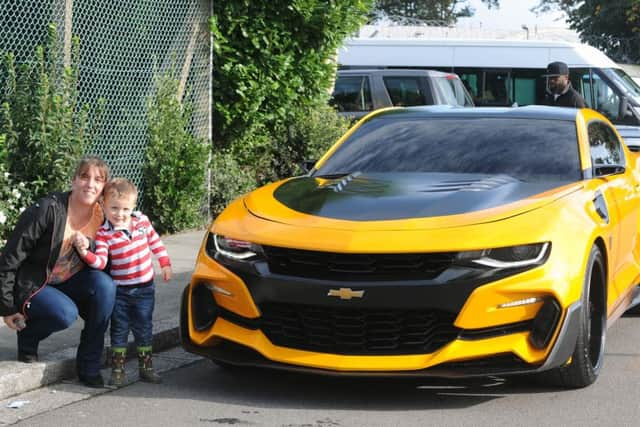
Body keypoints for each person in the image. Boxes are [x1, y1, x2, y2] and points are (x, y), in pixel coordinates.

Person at [0, 156, 115, 388]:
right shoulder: (48, 209)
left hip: (70, 281)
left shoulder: (103, 216)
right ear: (73, 181)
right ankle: (29, 336)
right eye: (84, 177)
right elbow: (11, 256)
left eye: (98, 180)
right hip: (35, 284)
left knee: (105, 286)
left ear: (104, 188)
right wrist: (7, 306)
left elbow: (112, 257)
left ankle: (89, 365)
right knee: (64, 313)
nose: (90, 184)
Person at [72, 177, 172, 386]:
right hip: (121, 293)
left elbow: (155, 242)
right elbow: (100, 262)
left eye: (125, 209)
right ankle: (118, 370)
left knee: (144, 328)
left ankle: (147, 367)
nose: (120, 214)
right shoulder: (104, 234)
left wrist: (164, 262)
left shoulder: (142, 222)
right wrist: (84, 252)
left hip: (145, 289)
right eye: (114, 208)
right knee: (119, 331)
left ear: (133, 206)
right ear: (103, 206)